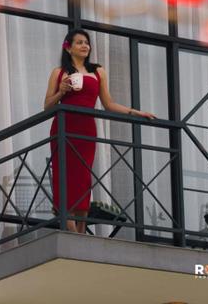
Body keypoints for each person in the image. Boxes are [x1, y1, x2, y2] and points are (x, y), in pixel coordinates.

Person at [44, 28, 156, 233]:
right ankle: (68, 225)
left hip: (86, 129)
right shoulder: (59, 72)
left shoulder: (98, 71)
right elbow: (47, 106)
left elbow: (108, 103)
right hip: (63, 128)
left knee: (84, 176)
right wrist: (61, 91)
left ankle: (81, 228)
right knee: (63, 174)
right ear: (68, 48)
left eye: (87, 42)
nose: (85, 46)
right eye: (79, 42)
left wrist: (134, 112)